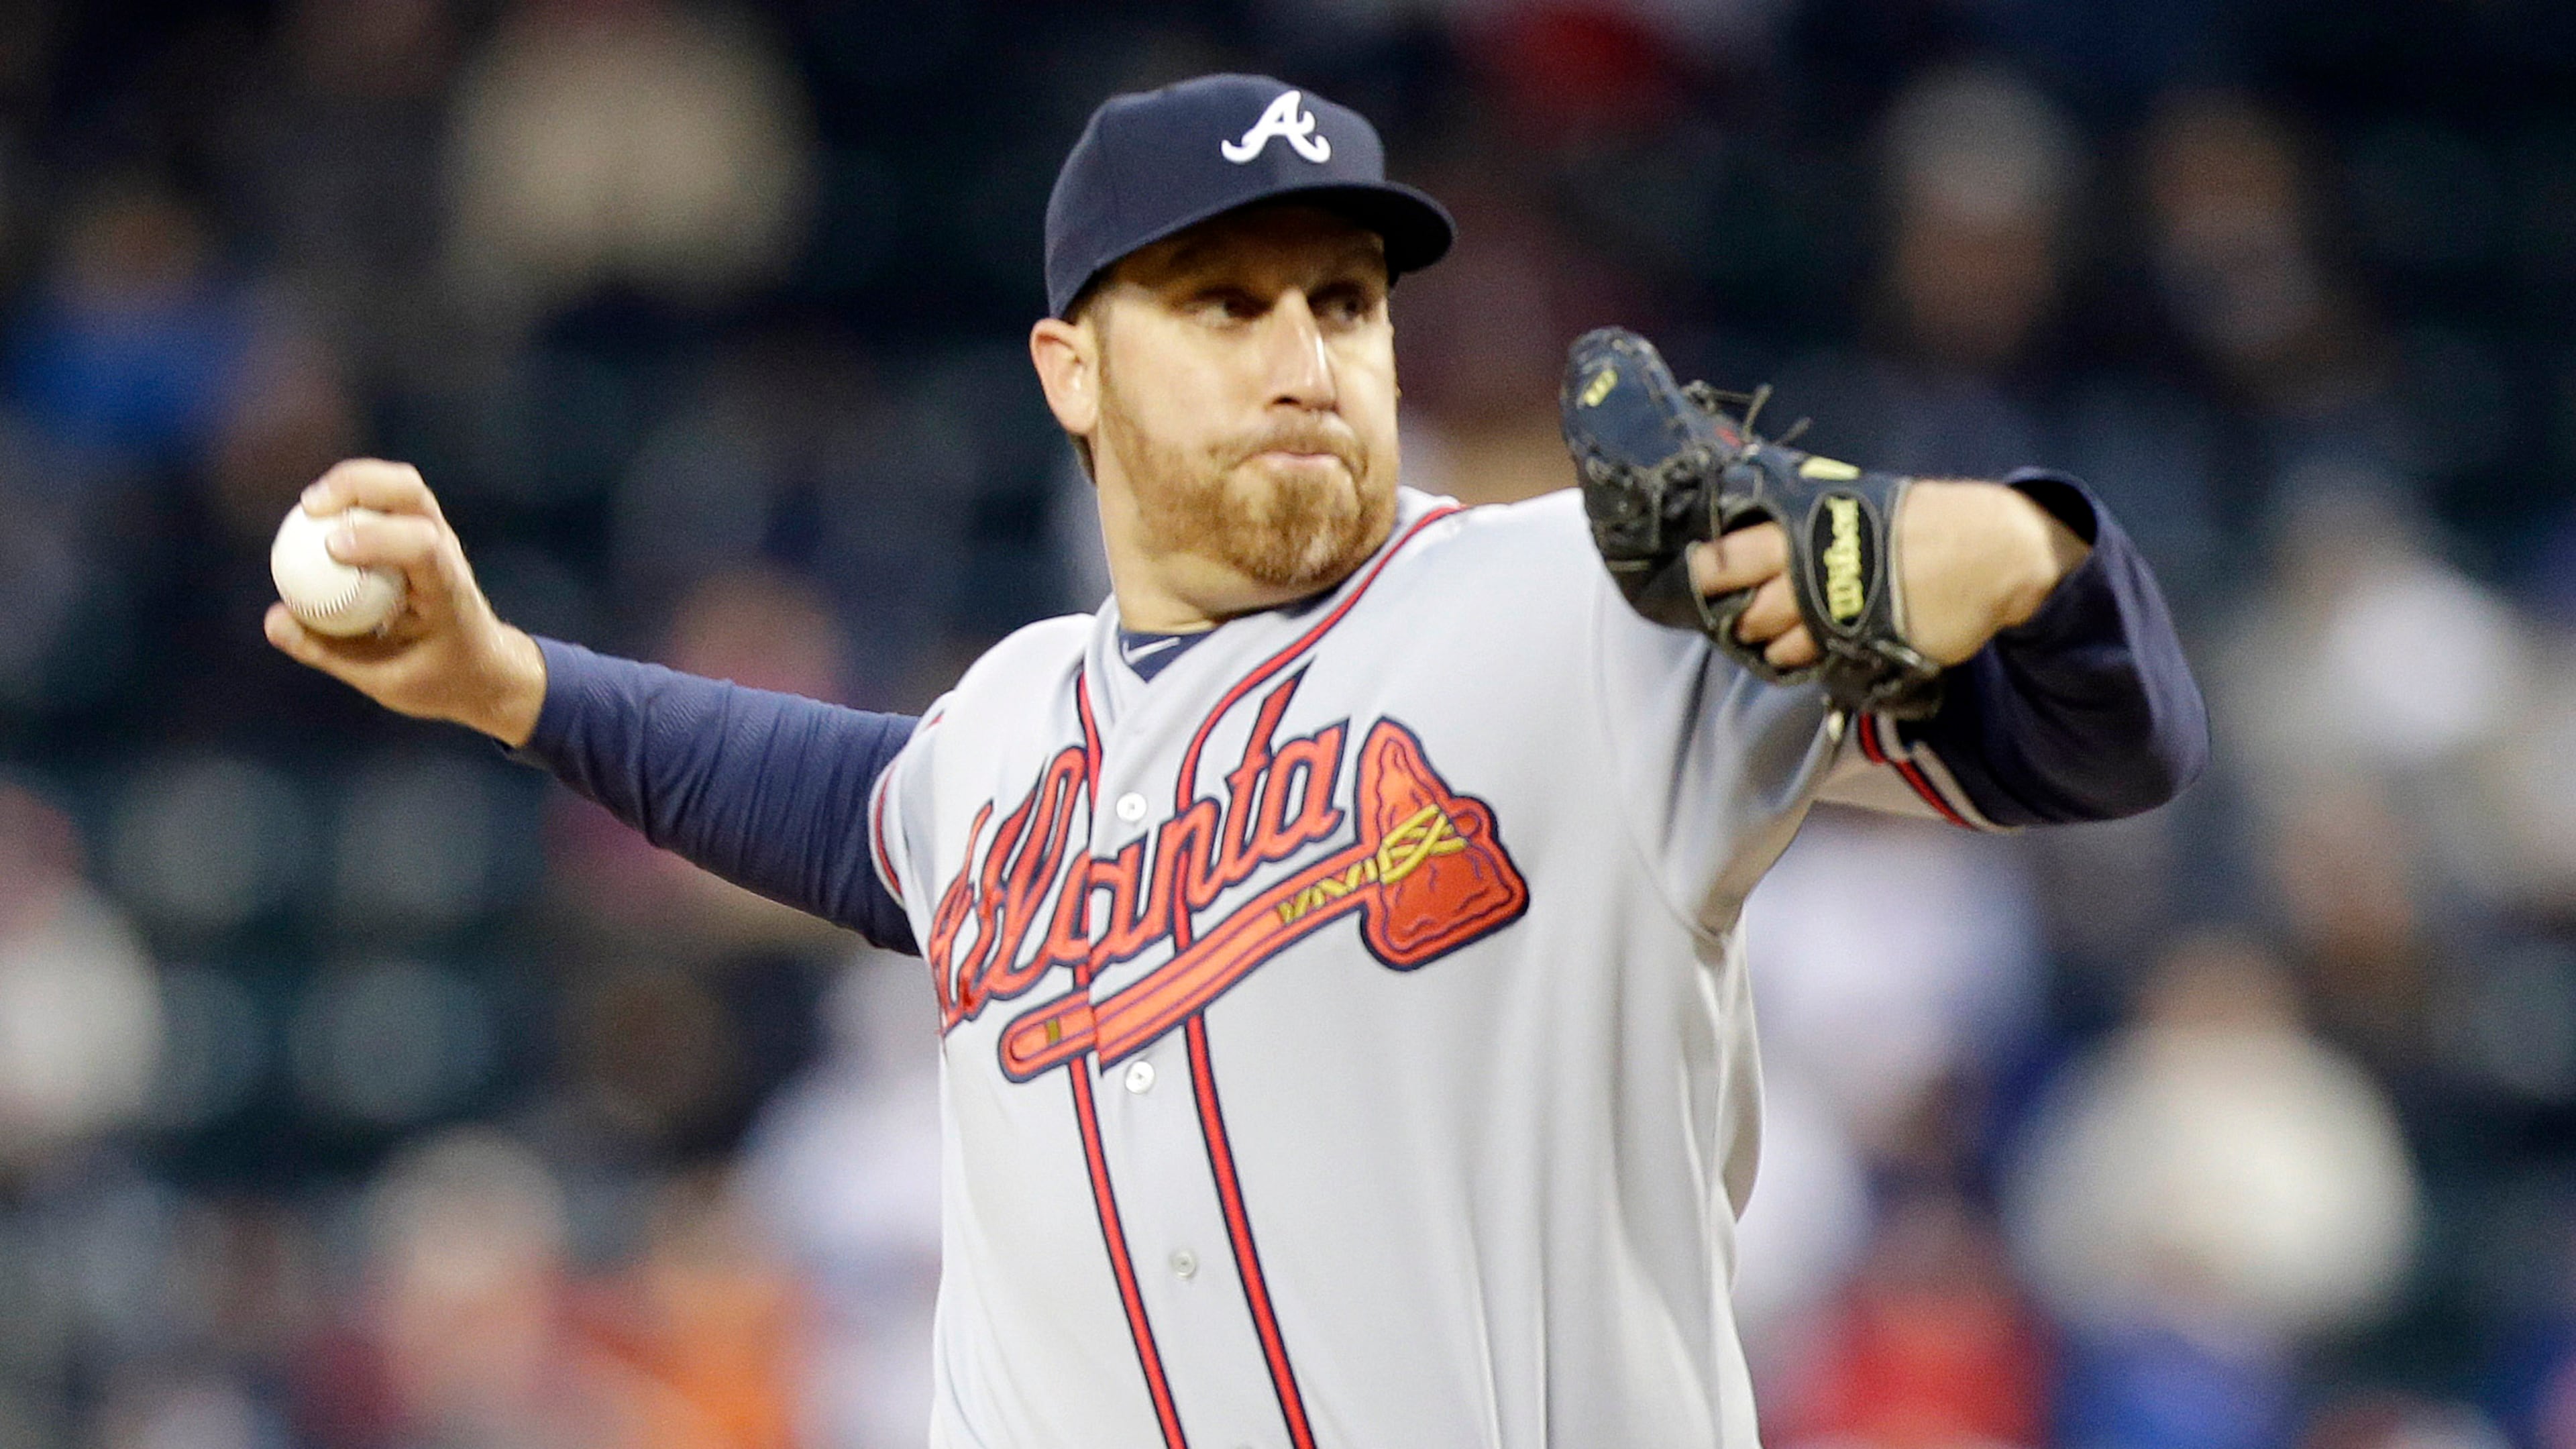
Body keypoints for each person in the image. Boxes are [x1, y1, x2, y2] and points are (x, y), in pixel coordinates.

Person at [266, 74, 2205, 1448]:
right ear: (1071, 369)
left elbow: (2106, 736)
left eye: (1344, 301)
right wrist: (511, 682)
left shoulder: (1582, 608)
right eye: (1224, 303)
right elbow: (847, 810)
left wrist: (2009, 550)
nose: (1305, 356)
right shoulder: (1008, 724)